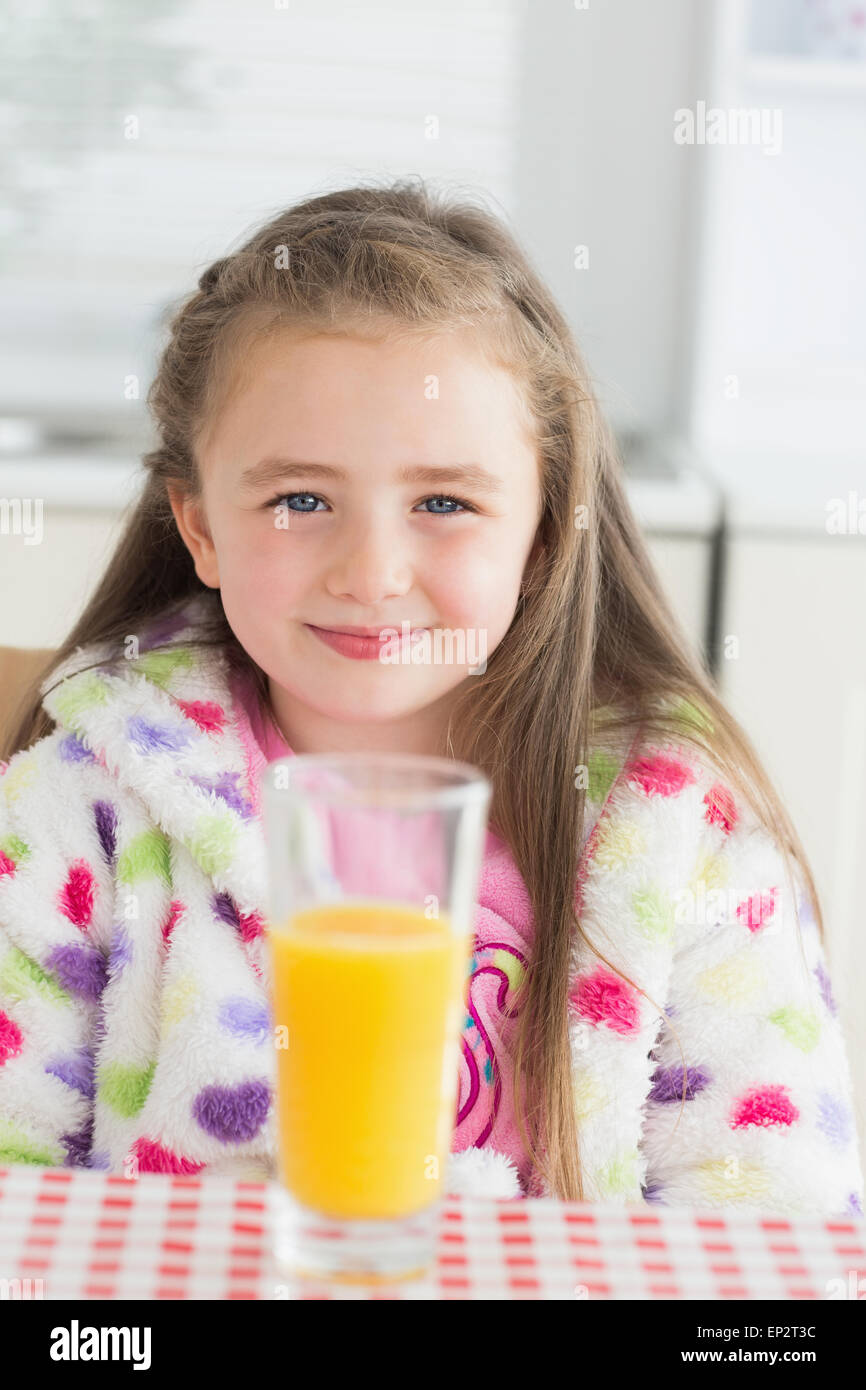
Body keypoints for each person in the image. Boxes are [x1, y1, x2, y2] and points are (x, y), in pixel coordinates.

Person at [1, 179, 862, 1212]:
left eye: (443, 502)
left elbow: (774, 1235)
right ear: (200, 531)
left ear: (539, 536)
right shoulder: (81, 806)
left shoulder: (681, 828)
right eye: (300, 499)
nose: (371, 570)